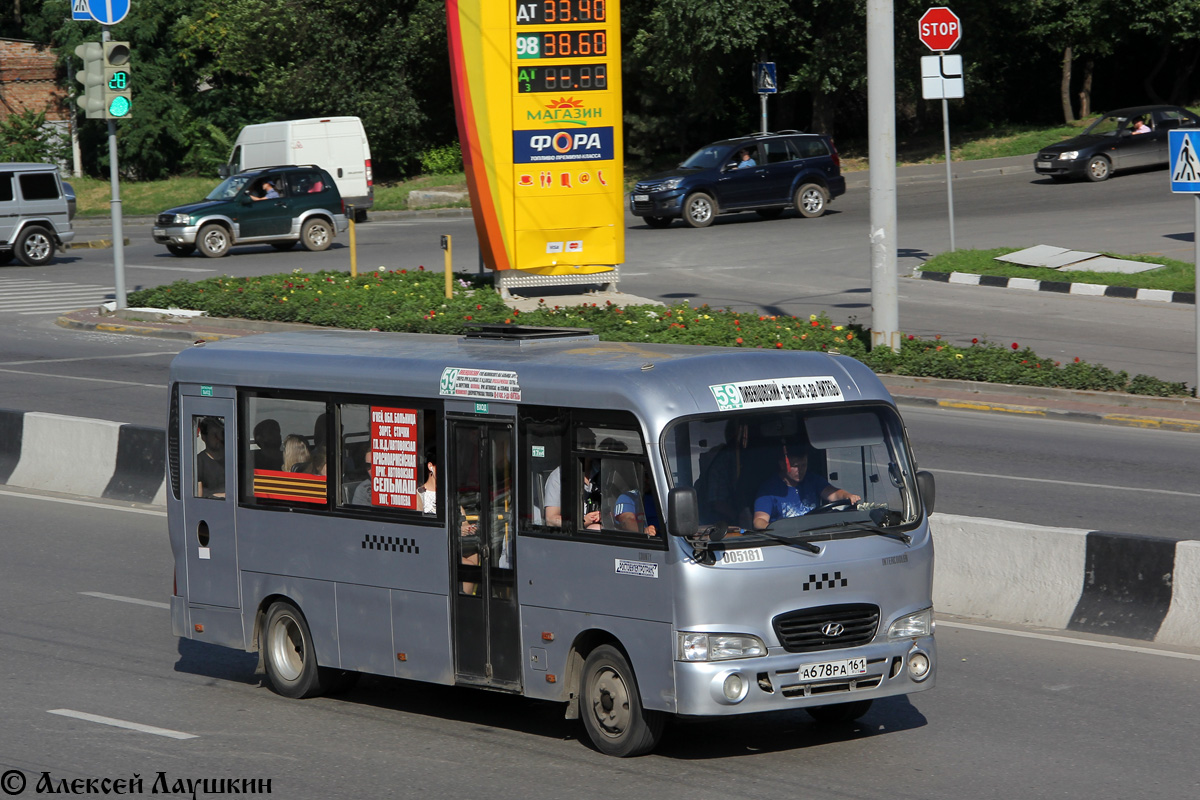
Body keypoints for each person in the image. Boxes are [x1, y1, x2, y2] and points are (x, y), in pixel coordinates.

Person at [752, 438, 861, 529]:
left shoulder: (813, 480)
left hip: (815, 534)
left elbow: (834, 494)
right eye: (795, 466)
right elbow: (759, 520)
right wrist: (777, 529)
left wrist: (848, 496)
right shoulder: (768, 490)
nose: (800, 470)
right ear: (782, 464)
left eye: (803, 465)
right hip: (787, 539)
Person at [195, 417, 226, 498]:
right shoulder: (199, 461)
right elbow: (199, 497)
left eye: (220, 433)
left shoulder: (232, 459)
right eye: (214, 434)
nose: (219, 438)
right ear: (204, 437)